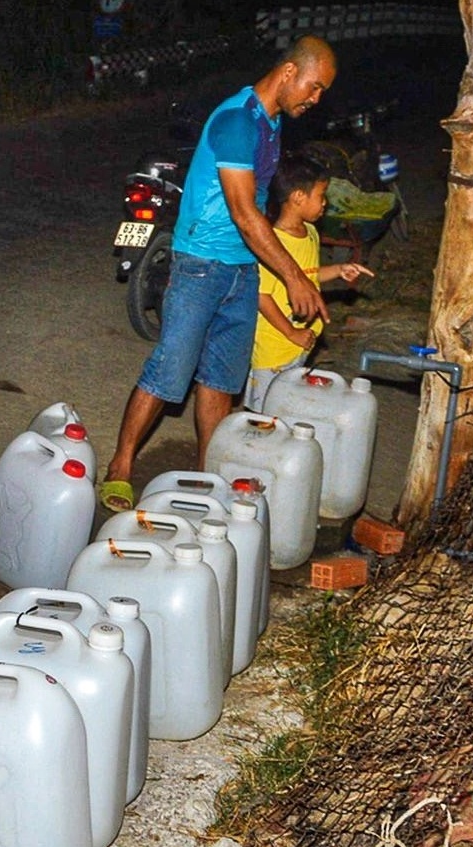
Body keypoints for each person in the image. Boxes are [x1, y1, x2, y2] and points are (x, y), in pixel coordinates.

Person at [99, 36, 337, 511]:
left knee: (221, 382)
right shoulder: (235, 122)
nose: (315, 99)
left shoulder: (270, 123)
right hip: (200, 265)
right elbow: (246, 214)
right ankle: (120, 466)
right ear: (289, 72)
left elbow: (261, 213)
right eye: (314, 87)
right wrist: (293, 276)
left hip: (242, 272)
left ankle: (209, 477)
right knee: (169, 373)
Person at [246, 153, 375, 409]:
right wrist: (291, 332)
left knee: (286, 407)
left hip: (301, 342)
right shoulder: (273, 244)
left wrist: (339, 269)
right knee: (264, 412)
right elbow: (262, 296)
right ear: (297, 197)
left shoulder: (311, 233)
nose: (325, 203)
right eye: (321, 195)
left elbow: (308, 276)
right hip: (275, 347)